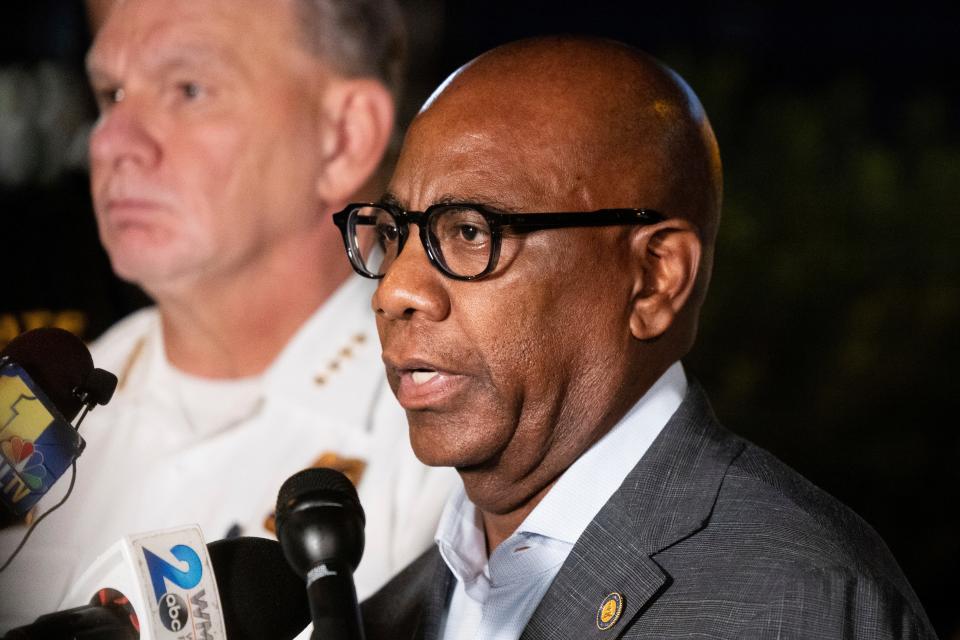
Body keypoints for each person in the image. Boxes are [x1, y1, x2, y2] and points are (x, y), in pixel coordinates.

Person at [341, 37, 937, 638]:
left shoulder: (797, 604)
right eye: (394, 234)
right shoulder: (384, 618)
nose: (394, 290)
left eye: (470, 231)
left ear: (656, 279)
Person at [0, 0, 454, 629]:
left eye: (189, 89)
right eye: (112, 92)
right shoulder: (43, 401)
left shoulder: (451, 442)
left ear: (343, 136)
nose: (112, 141)